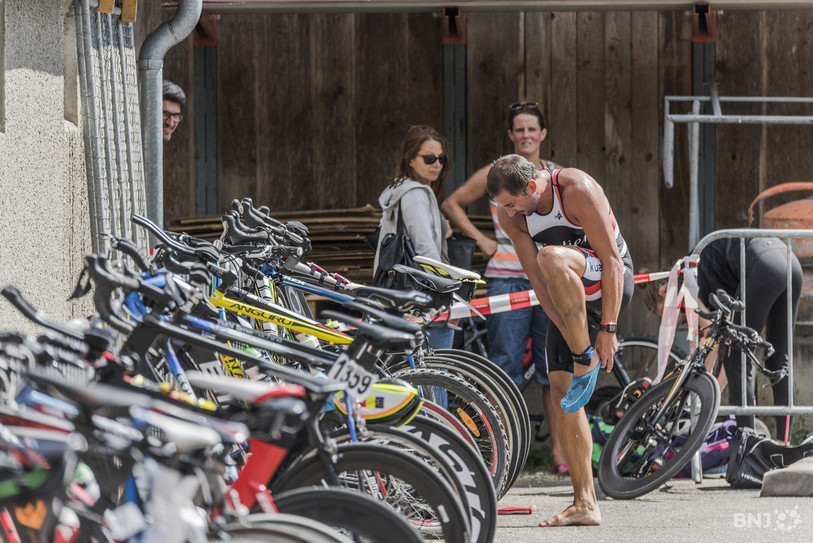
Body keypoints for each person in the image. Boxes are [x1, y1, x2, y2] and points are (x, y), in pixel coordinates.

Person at [486, 154, 634, 527]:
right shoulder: (510, 214)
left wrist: (609, 329)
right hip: (565, 294)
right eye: (503, 206)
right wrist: (571, 337)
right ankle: (585, 501)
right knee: (561, 391)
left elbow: (613, 262)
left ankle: (585, 357)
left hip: (607, 284)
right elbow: (538, 283)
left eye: (511, 203)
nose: (508, 213)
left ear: (531, 186)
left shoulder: (576, 189)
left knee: (552, 257)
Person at [440, 101, 567, 475]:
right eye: (519, 129)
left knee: (553, 369)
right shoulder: (496, 171)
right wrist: (482, 240)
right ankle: (500, 453)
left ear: (543, 134)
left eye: (532, 129)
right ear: (511, 134)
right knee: (504, 367)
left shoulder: (554, 174)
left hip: (548, 279)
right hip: (506, 279)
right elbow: (452, 203)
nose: (526, 135)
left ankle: (560, 454)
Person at [641, 237, 803, 443]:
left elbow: (710, 336)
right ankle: (784, 442)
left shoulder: (680, 279)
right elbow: (724, 338)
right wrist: (715, 388)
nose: (681, 316)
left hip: (764, 266)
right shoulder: (705, 275)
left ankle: (747, 446)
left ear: (663, 291)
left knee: (738, 361)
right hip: (790, 261)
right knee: (777, 359)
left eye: (674, 312)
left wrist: (707, 391)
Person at [374, 125, 455, 349]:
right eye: (429, 159)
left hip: (401, 294)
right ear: (410, 159)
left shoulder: (399, 190)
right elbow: (425, 251)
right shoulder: (415, 194)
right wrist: (447, 295)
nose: (437, 164)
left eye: (441, 158)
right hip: (425, 297)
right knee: (436, 364)